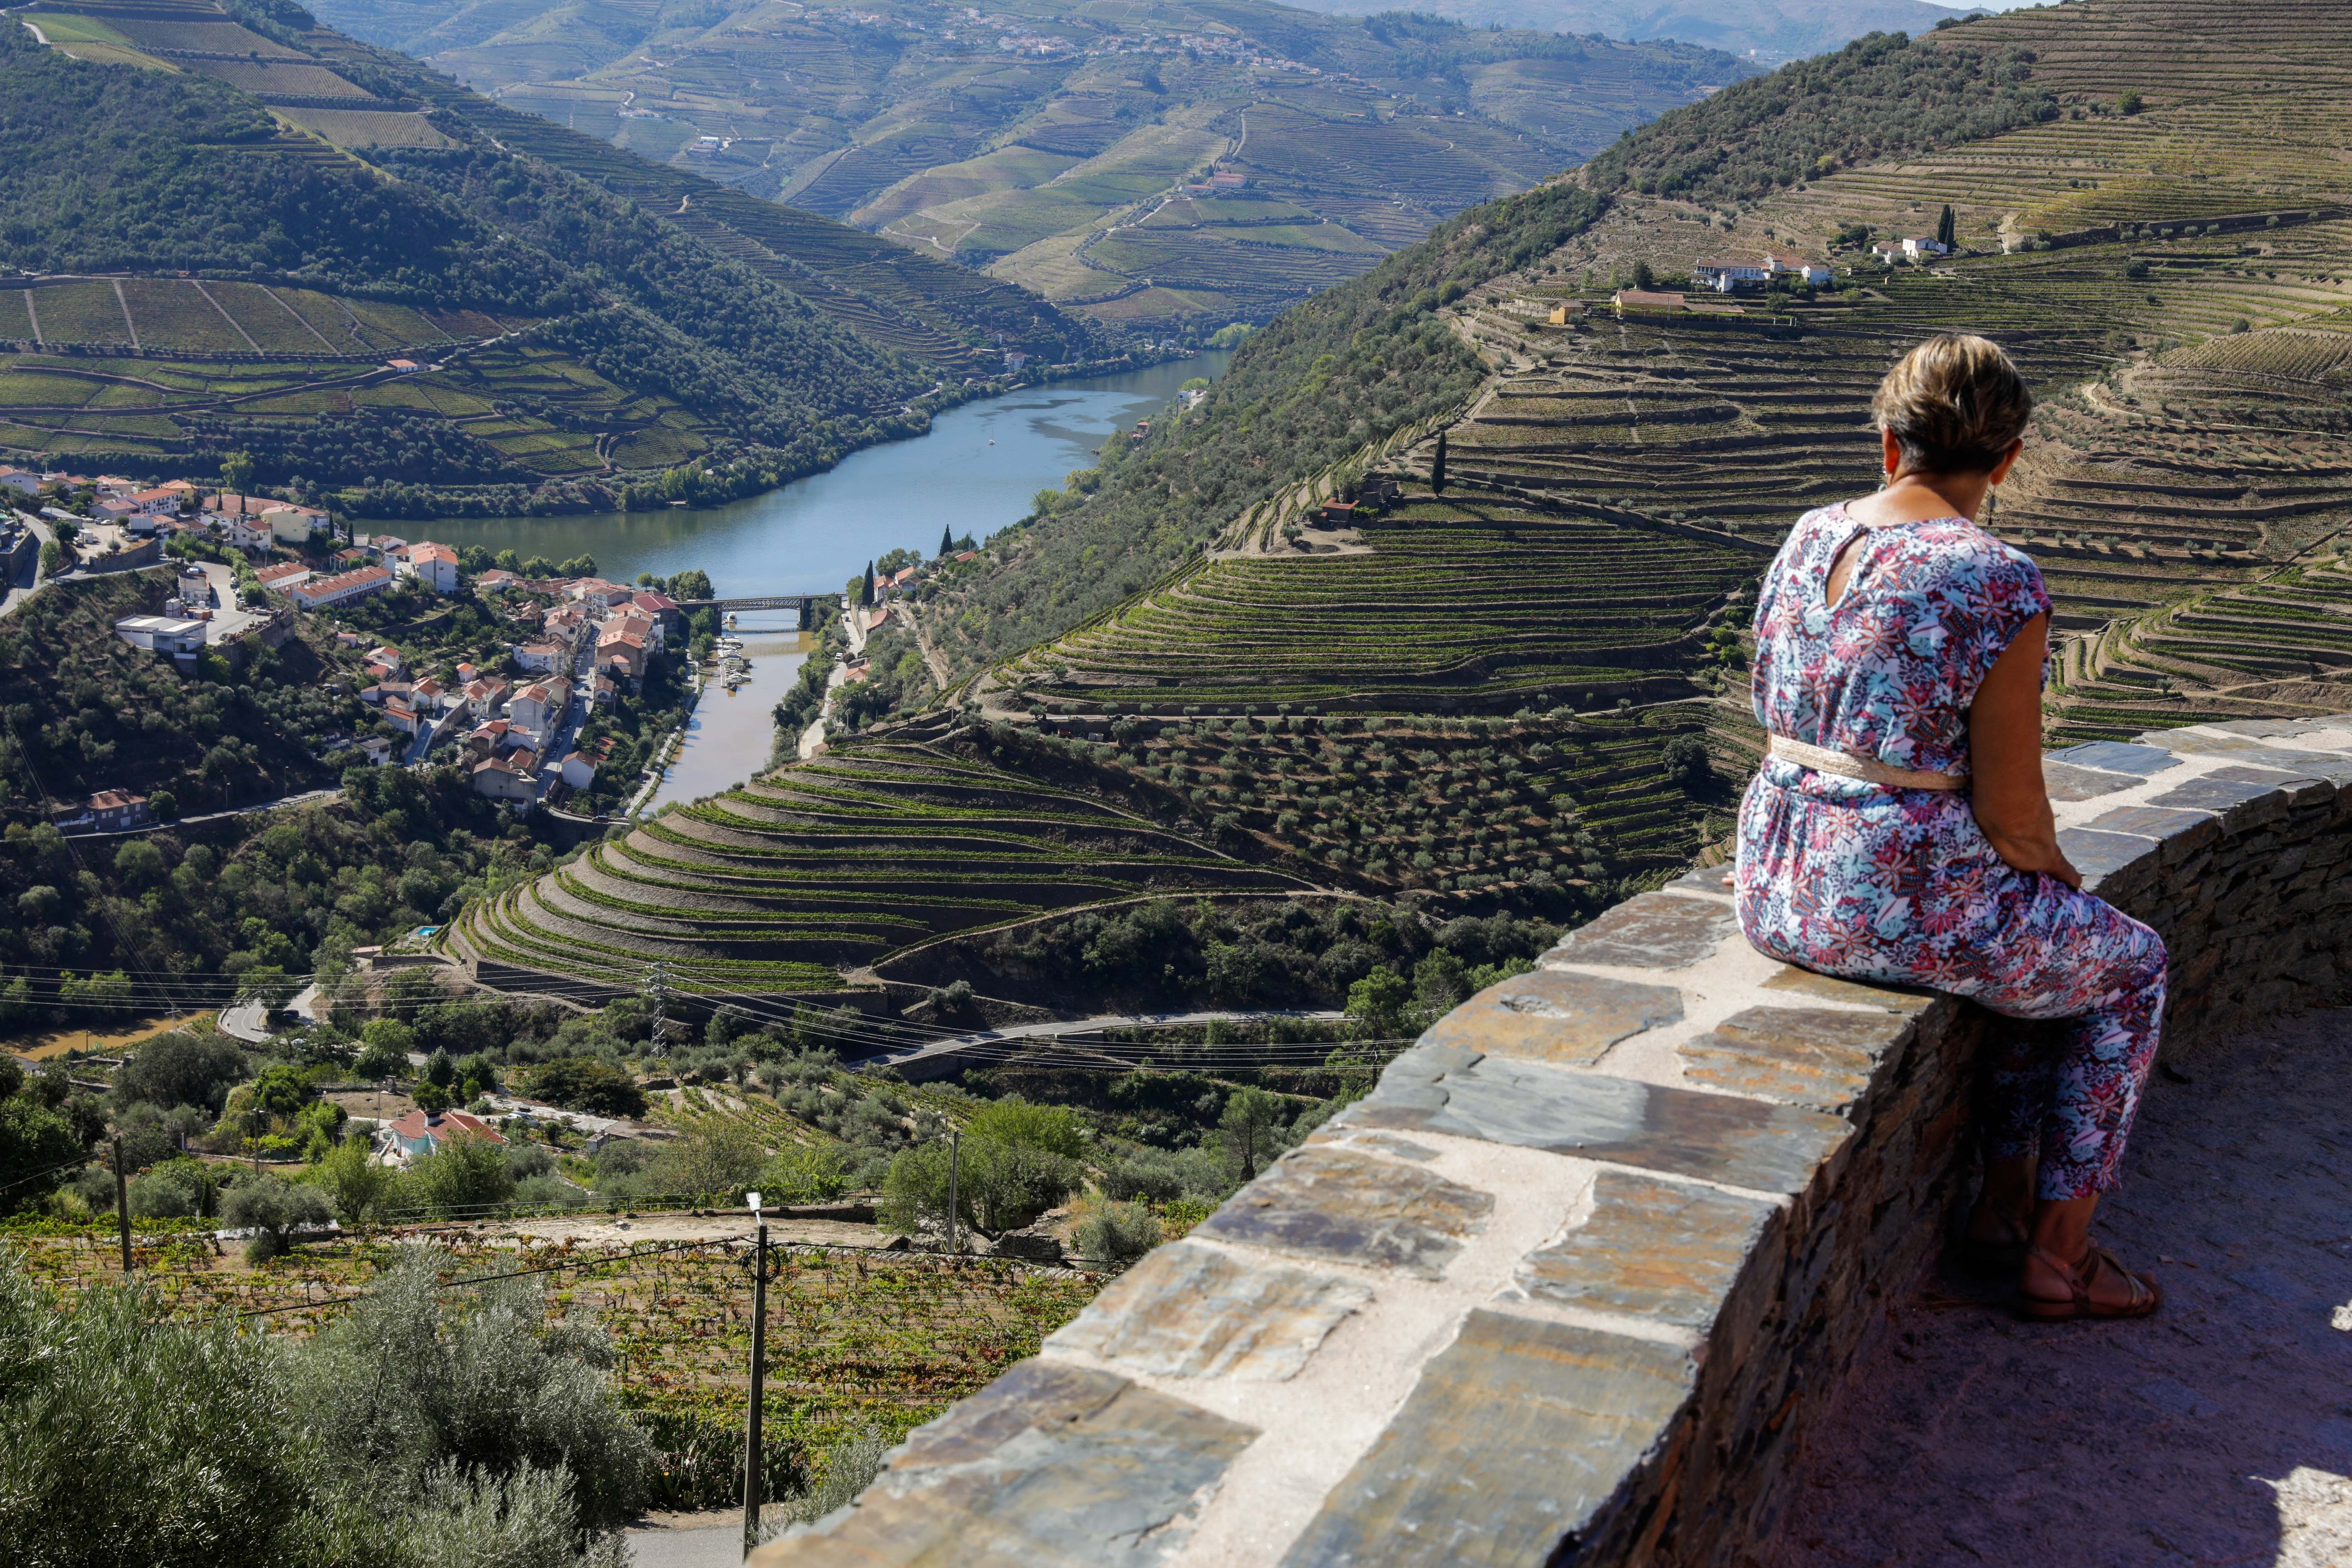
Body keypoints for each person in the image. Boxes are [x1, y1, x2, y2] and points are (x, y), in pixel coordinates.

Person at [1734, 334, 2167, 1320]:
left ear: (1890, 447)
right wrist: (2057, 874)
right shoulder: (1997, 578)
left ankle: (2003, 1209)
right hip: (1893, 901)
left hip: (1775, 878)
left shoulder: (1810, 534)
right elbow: (2012, 812)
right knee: (2127, 965)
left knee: (2034, 968)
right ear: (2008, 460)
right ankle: (2062, 1253)